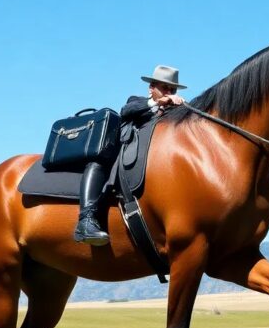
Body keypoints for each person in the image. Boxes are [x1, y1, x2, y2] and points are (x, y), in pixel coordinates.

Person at [73, 65, 187, 246]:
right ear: (151, 88)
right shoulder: (138, 101)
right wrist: (160, 103)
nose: (168, 92)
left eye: (172, 89)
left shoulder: (176, 112)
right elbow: (127, 110)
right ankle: (86, 220)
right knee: (98, 162)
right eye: (164, 88)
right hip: (124, 152)